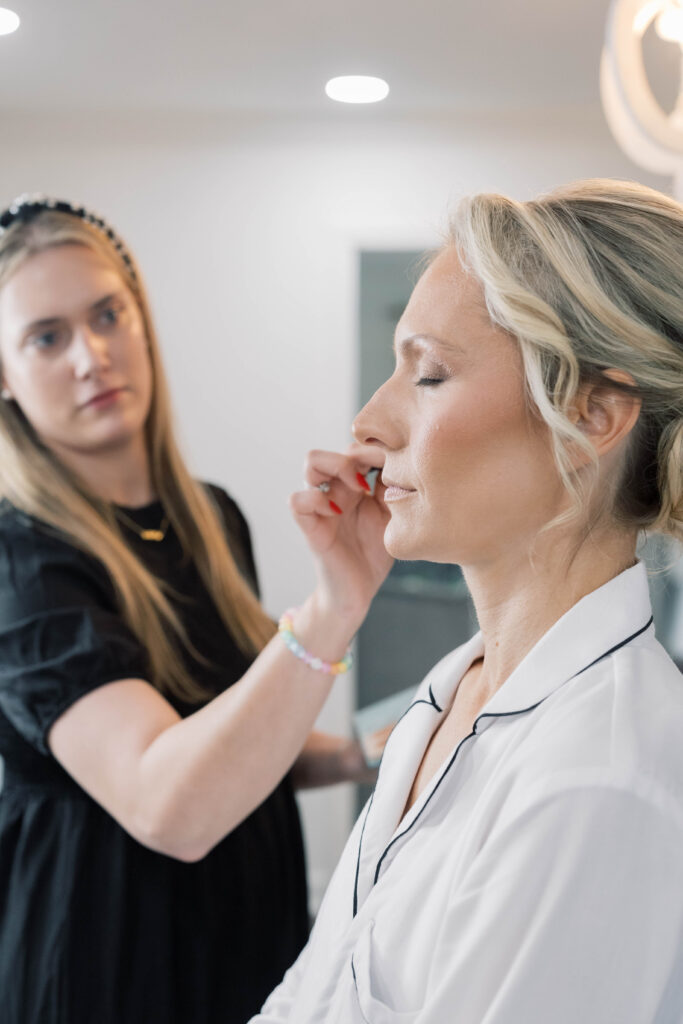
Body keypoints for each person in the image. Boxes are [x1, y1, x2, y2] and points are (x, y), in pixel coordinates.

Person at [251, 179, 683, 1023]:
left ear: (591, 415)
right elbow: (312, 991)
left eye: (430, 374)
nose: (367, 424)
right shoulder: (454, 687)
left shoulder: (599, 776)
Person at [0, 195, 393, 1024]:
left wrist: (364, 753)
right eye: (47, 336)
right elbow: (169, 806)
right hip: (110, 963)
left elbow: (234, 742)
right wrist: (335, 605)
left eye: (109, 314)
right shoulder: (20, 559)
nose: (92, 356)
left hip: (247, 944)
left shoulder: (209, 518)